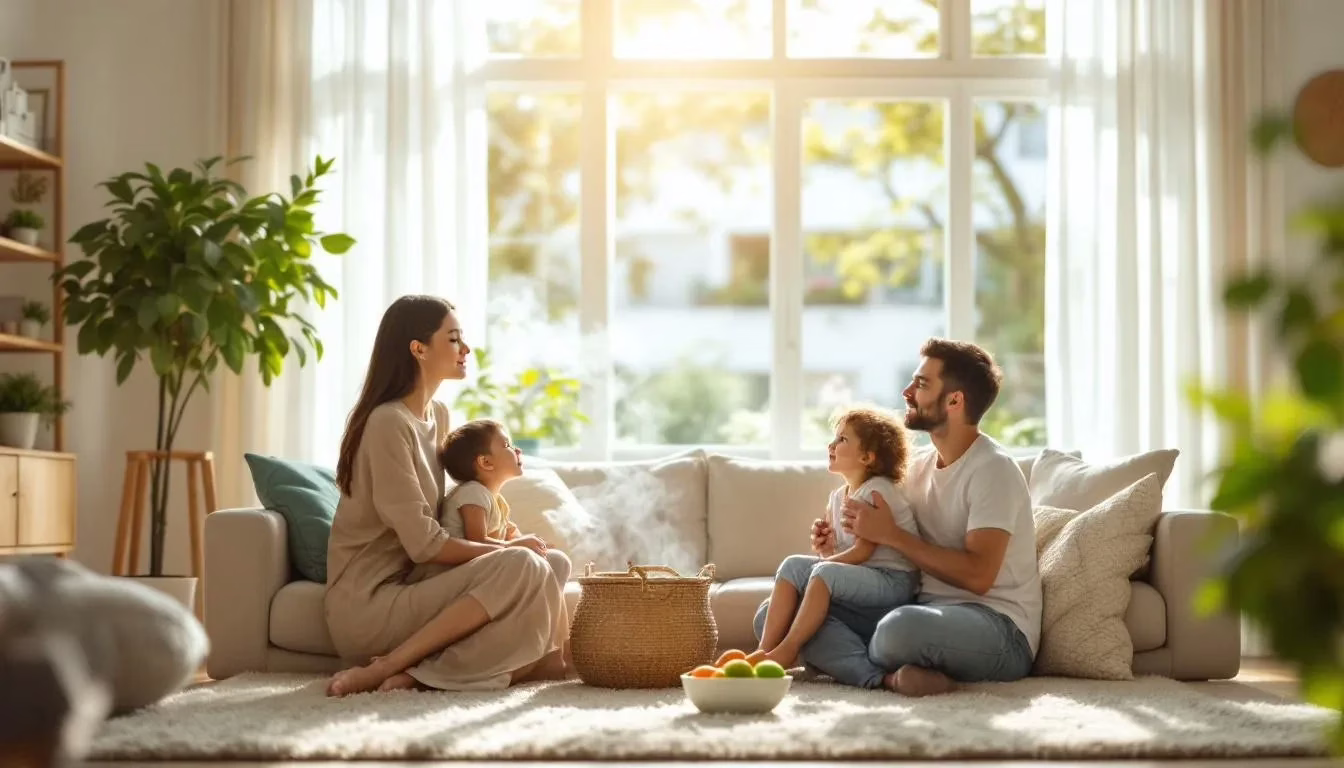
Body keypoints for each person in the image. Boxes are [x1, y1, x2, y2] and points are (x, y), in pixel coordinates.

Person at [753, 338, 1040, 696]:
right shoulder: (916, 469)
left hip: (998, 627)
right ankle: (891, 676)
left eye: (921, 384)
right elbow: (878, 546)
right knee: (774, 615)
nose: (906, 392)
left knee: (896, 631)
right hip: (918, 607)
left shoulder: (993, 470)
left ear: (955, 400)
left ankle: (860, 659)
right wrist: (832, 549)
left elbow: (979, 576)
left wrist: (891, 534)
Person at [324, 295, 569, 697]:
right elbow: (424, 544)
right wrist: (506, 553)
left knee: (551, 562)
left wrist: (502, 539)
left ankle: (434, 673)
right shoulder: (388, 422)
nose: (466, 349)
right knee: (524, 563)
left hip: (419, 585)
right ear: (418, 349)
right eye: (454, 339)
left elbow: (443, 518)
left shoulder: (437, 416)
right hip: (370, 606)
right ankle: (388, 666)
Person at [754, 407, 920, 677]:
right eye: (835, 438)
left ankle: (789, 649)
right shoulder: (837, 497)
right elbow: (844, 557)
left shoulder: (877, 491)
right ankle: (765, 651)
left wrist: (823, 566)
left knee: (822, 572)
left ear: (867, 457)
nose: (831, 445)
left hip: (893, 580)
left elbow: (864, 552)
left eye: (843, 439)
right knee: (792, 564)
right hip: (865, 577)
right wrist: (827, 549)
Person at [428, 418, 572, 586]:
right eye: (507, 446)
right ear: (486, 462)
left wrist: (537, 545)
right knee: (556, 562)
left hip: (484, 565)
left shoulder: (497, 500)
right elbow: (477, 540)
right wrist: (515, 545)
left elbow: (511, 533)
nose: (517, 449)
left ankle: (535, 605)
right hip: (458, 572)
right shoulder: (473, 492)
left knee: (556, 560)